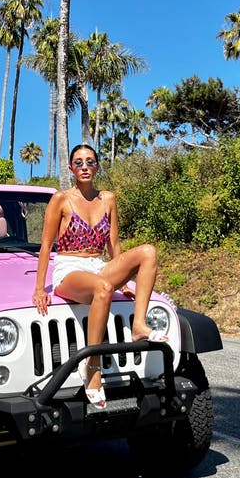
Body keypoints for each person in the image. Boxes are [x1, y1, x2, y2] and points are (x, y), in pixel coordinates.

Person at [32, 144, 160, 408]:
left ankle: (139, 325)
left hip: (98, 265)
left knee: (148, 252)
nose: (84, 167)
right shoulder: (61, 199)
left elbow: (114, 244)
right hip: (70, 268)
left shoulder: (108, 199)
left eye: (90, 162)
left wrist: (125, 282)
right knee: (103, 287)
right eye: (78, 163)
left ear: (97, 166)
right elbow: (46, 245)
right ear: (70, 169)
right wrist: (38, 288)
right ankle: (92, 367)